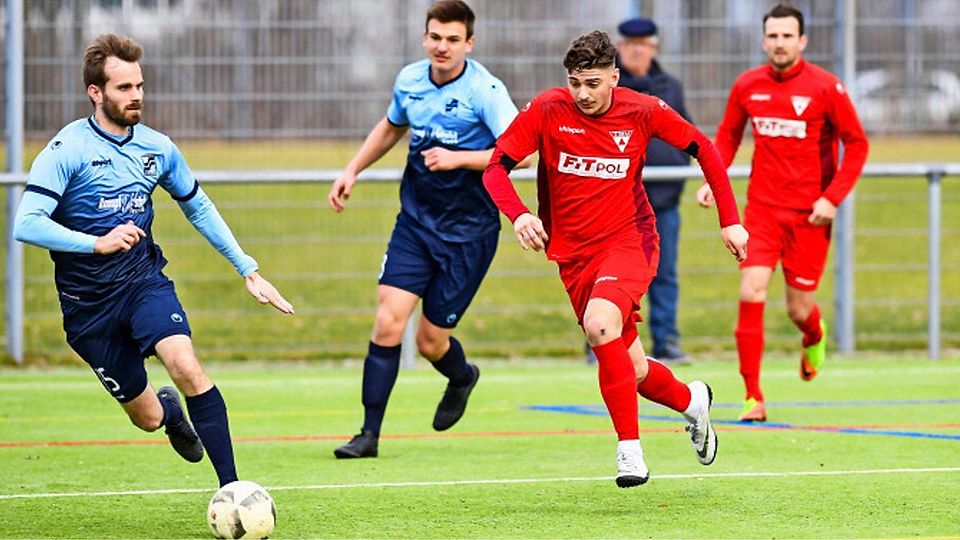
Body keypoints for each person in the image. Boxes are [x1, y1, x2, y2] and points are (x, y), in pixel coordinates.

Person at [13, 34, 294, 487]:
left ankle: (233, 491)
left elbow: (198, 206)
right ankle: (168, 413)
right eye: (124, 88)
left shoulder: (157, 148)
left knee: (185, 363)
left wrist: (247, 268)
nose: (137, 95)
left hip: (142, 282)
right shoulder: (67, 150)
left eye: (139, 85)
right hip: (88, 309)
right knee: (145, 418)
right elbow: (26, 223)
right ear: (96, 93)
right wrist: (96, 242)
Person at [483, 30, 748, 488]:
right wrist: (519, 214)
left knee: (599, 325)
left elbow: (703, 148)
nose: (582, 94)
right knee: (635, 369)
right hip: (573, 254)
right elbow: (496, 169)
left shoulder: (641, 109)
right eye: (574, 82)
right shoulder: (548, 109)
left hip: (630, 240)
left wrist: (730, 219)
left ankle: (630, 452)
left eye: (592, 83)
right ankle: (692, 402)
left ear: (614, 77)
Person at [327, 0, 525, 459]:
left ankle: (461, 376)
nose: (442, 46)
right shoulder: (410, 80)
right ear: (425, 37)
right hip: (415, 224)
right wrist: (351, 169)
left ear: (468, 44)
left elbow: (522, 153)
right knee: (387, 320)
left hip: (470, 232)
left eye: (453, 39)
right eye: (436, 37)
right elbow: (392, 127)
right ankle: (368, 434)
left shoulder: (485, 91)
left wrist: (459, 159)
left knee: (430, 340)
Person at [697, 3, 868, 422]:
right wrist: (710, 179)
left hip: (809, 217)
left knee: (798, 309)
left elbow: (857, 144)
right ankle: (753, 396)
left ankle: (814, 332)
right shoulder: (747, 85)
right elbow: (728, 135)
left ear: (802, 41)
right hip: (761, 212)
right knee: (750, 290)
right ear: (763, 40)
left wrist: (832, 198)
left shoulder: (826, 88)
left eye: (787, 36)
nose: (779, 43)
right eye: (772, 36)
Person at [615, 16, 692, 363]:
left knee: (665, 273)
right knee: (613, 274)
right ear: (620, 47)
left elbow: (687, 136)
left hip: (663, 199)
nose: (636, 50)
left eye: (643, 44)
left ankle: (666, 341)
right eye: (630, 44)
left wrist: (678, 170)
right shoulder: (609, 86)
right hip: (617, 203)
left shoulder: (670, 86)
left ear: (653, 47)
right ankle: (606, 340)